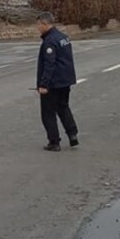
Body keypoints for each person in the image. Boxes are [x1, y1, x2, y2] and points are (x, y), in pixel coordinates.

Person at [36, 12, 79, 151]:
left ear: (44, 24)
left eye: (38, 25)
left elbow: (49, 64)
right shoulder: (63, 37)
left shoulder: (49, 41)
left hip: (53, 83)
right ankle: (73, 135)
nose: (37, 28)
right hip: (65, 81)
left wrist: (43, 84)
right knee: (63, 107)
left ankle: (54, 142)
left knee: (48, 113)